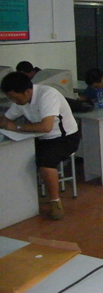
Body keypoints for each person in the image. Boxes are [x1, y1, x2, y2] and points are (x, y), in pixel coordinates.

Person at [0, 72, 80, 220]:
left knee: (45, 162)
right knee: (16, 154)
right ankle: (19, 197)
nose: (14, 101)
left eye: (15, 97)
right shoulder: (21, 101)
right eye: (11, 98)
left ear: (27, 92)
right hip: (41, 137)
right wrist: (5, 123)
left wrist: (16, 127)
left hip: (65, 137)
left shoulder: (47, 95)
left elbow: (46, 127)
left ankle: (55, 202)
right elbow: (5, 119)